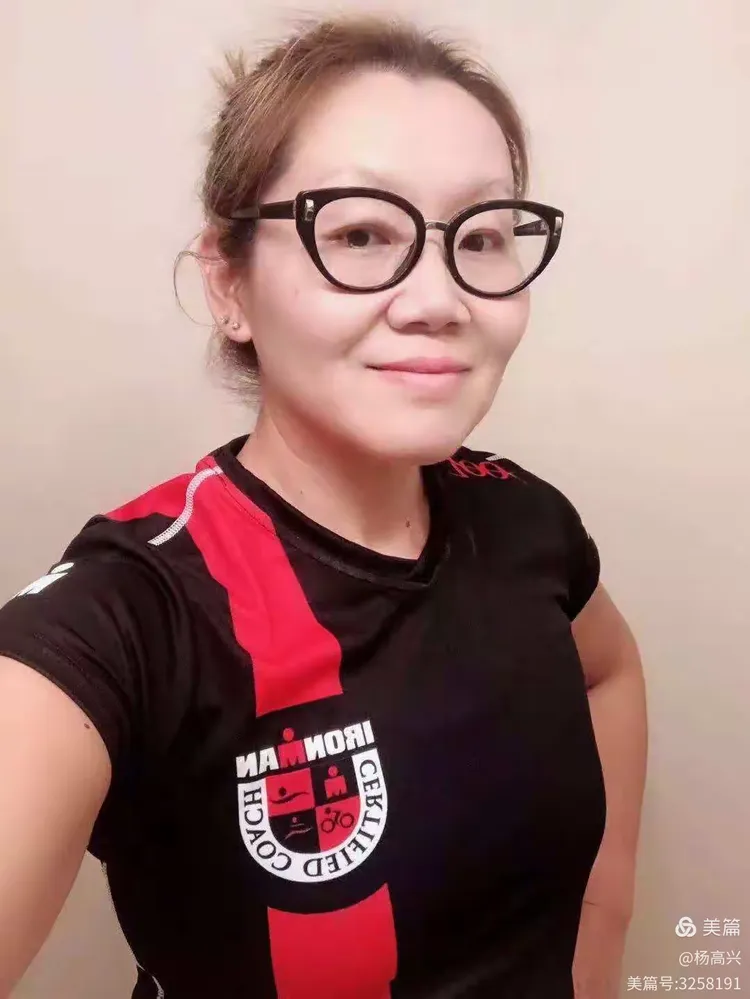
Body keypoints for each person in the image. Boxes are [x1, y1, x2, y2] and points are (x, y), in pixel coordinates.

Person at [0, 14, 648, 999]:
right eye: (359, 233)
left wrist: (602, 933)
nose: (438, 299)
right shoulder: (135, 610)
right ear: (229, 283)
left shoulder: (526, 519)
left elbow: (610, 669)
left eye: (480, 237)